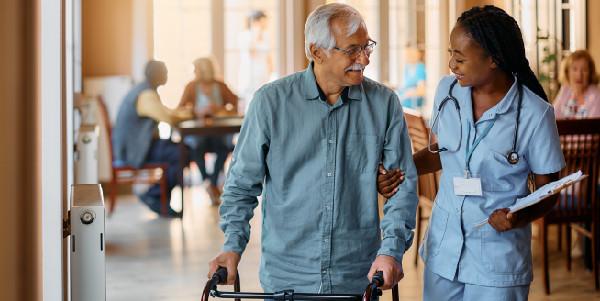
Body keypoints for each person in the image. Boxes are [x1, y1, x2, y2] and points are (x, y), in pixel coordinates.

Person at [208, 3, 418, 295]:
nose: (364, 59)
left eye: (367, 47)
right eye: (352, 49)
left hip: (357, 275)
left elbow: (402, 187)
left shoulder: (384, 103)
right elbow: (242, 184)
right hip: (286, 276)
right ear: (317, 51)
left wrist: (391, 250)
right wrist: (232, 245)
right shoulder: (270, 102)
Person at [378, 6, 565, 300]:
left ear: (493, 58)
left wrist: (520, 216)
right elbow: (439, 153)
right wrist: (400, 171)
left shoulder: (535, 114)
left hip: (497, 260)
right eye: (450, 53)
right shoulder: (447, 91)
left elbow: (549, 190)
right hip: (444, 250)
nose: (451, 63)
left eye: (460, 57)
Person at [112, 60, 194, 217]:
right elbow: (167, 117)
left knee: (182, 150)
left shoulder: (145, 91)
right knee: (184, 153)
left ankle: (158, 196)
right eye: (165, 72)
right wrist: (191, 114)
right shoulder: (146, 95)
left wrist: (185, 114)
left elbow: (166, 112)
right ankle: (155, 196)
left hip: (138, 145)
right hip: (135, 150)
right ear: (157, 75)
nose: (168, 75)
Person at [179, 57, 238, 205]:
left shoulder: (220, 86)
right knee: (197, 146)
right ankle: (209, 182)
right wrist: (195, 111)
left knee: (223, 147)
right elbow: (180, 108)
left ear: (204, 71)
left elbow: (235, 103)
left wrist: (219, 109)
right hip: (199, 131)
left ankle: (211, 183)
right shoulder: (191, 86)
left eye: (196, 70)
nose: (194, 73)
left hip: (219, 130)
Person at [237, 10, 274, 113]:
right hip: (249, 74)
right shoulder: (244, 36)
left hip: (263, 74)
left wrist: (271, 73)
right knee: (249, 102)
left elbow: (269, 57)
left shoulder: (266, 36)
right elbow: (251, 52)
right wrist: (256, 34)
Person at [553, 49, 600, 118]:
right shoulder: (565, 90)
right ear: (567, 72)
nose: (579, 75)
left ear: (590, 73)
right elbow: (551, 118)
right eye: (574, 69)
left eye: (584, 69)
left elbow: (595, 127)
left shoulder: (597, 96)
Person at [398, 46, 427, 110]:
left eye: (409, 54)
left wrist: (408, 93)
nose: (406, 56)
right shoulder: (408, 67)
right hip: (403, 104)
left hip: (413, 107)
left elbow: (421, 91)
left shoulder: (420, 67)